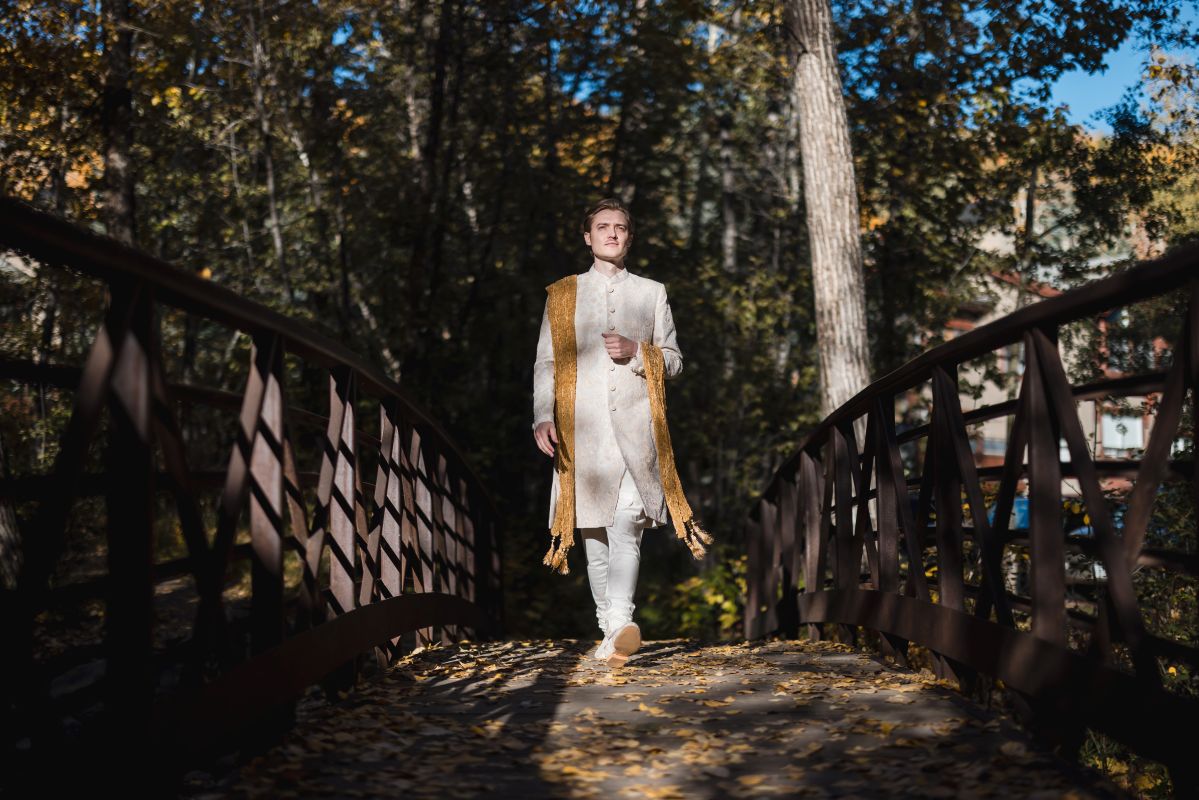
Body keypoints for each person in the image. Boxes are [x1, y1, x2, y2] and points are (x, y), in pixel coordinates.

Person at [532, 197, 685, 667]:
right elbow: (547, 363)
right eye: (603, 227)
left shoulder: (652, 292)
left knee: (626, 528)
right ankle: (612, 634)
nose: (612, 234)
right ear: (588, 236)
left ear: (629, 238)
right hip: (583, 433)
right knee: (595, 542)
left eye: (620, 227)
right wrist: (542, 415)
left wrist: (639, 351)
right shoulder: (562, 294)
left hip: (638, 433)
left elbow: (674, 361)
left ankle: (620, 621)